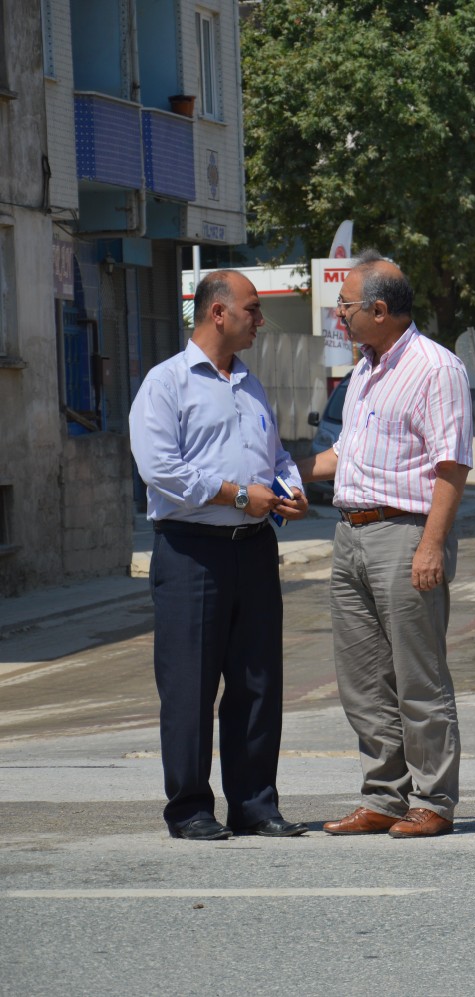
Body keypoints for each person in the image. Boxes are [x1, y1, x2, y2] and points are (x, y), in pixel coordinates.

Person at [129, 270, 311, 840]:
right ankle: (189, 809)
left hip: (253, 549)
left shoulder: (250, 385)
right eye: (253, 310)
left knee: (258, 681)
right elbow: (161, 470)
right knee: (190, 685)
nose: (261, 320)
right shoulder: (166, 384)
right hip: (191, 552)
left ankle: (255, 804)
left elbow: (274, 455)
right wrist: (236, 495)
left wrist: (288, 488)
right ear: (218, 314)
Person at [300, 251, 473, 839]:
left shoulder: (435, 367)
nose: (339, 316)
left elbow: (452, 466)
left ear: (379, 309)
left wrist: (432, 546)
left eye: (345, 306)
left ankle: (435, 800)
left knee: (417, 677)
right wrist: (284, 474)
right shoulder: (364, 371)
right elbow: (343, 455)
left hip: (405, 535)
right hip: (352, 533)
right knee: (364, 678)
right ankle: (384, 795)